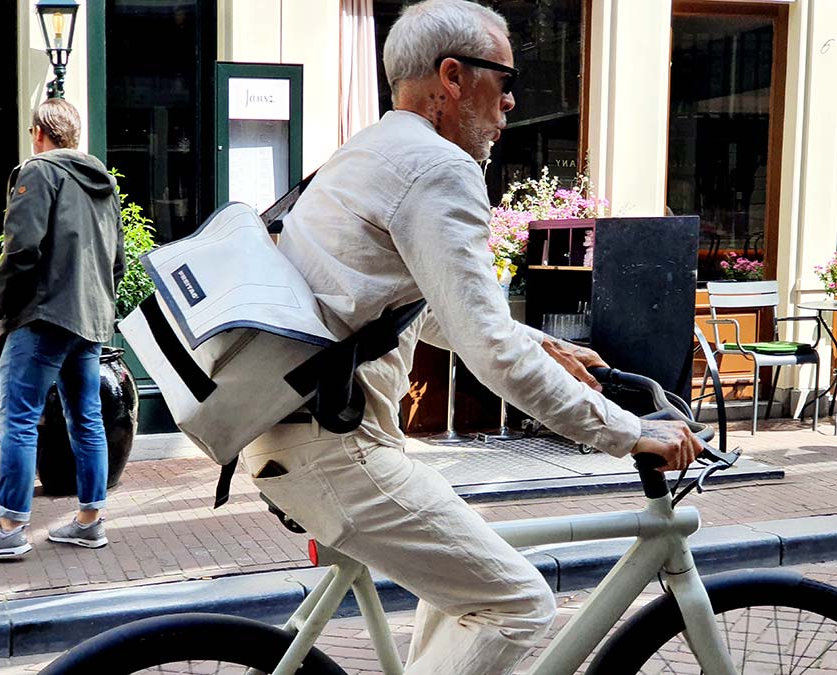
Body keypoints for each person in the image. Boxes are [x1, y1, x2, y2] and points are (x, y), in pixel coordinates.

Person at [240, 2, 702, 674]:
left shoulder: (367, 150)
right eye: (505, 78)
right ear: (452, 77)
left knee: (463, 582)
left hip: (288, 431)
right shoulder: (439, 168)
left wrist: (540, 340)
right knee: (518, 604)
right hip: (337, 449)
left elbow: (407, 308)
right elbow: (490, 354)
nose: (512, 100)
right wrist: (627, 432)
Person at [0, 98, 124, 560]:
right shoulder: (103, 182)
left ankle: (10, 527)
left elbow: (22, 251)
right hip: (90, 318)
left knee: (19, 420)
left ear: (38, 133)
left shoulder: (37, 172)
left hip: (44, 315)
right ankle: (90, 522)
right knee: (87, 419)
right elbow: (117, 260)